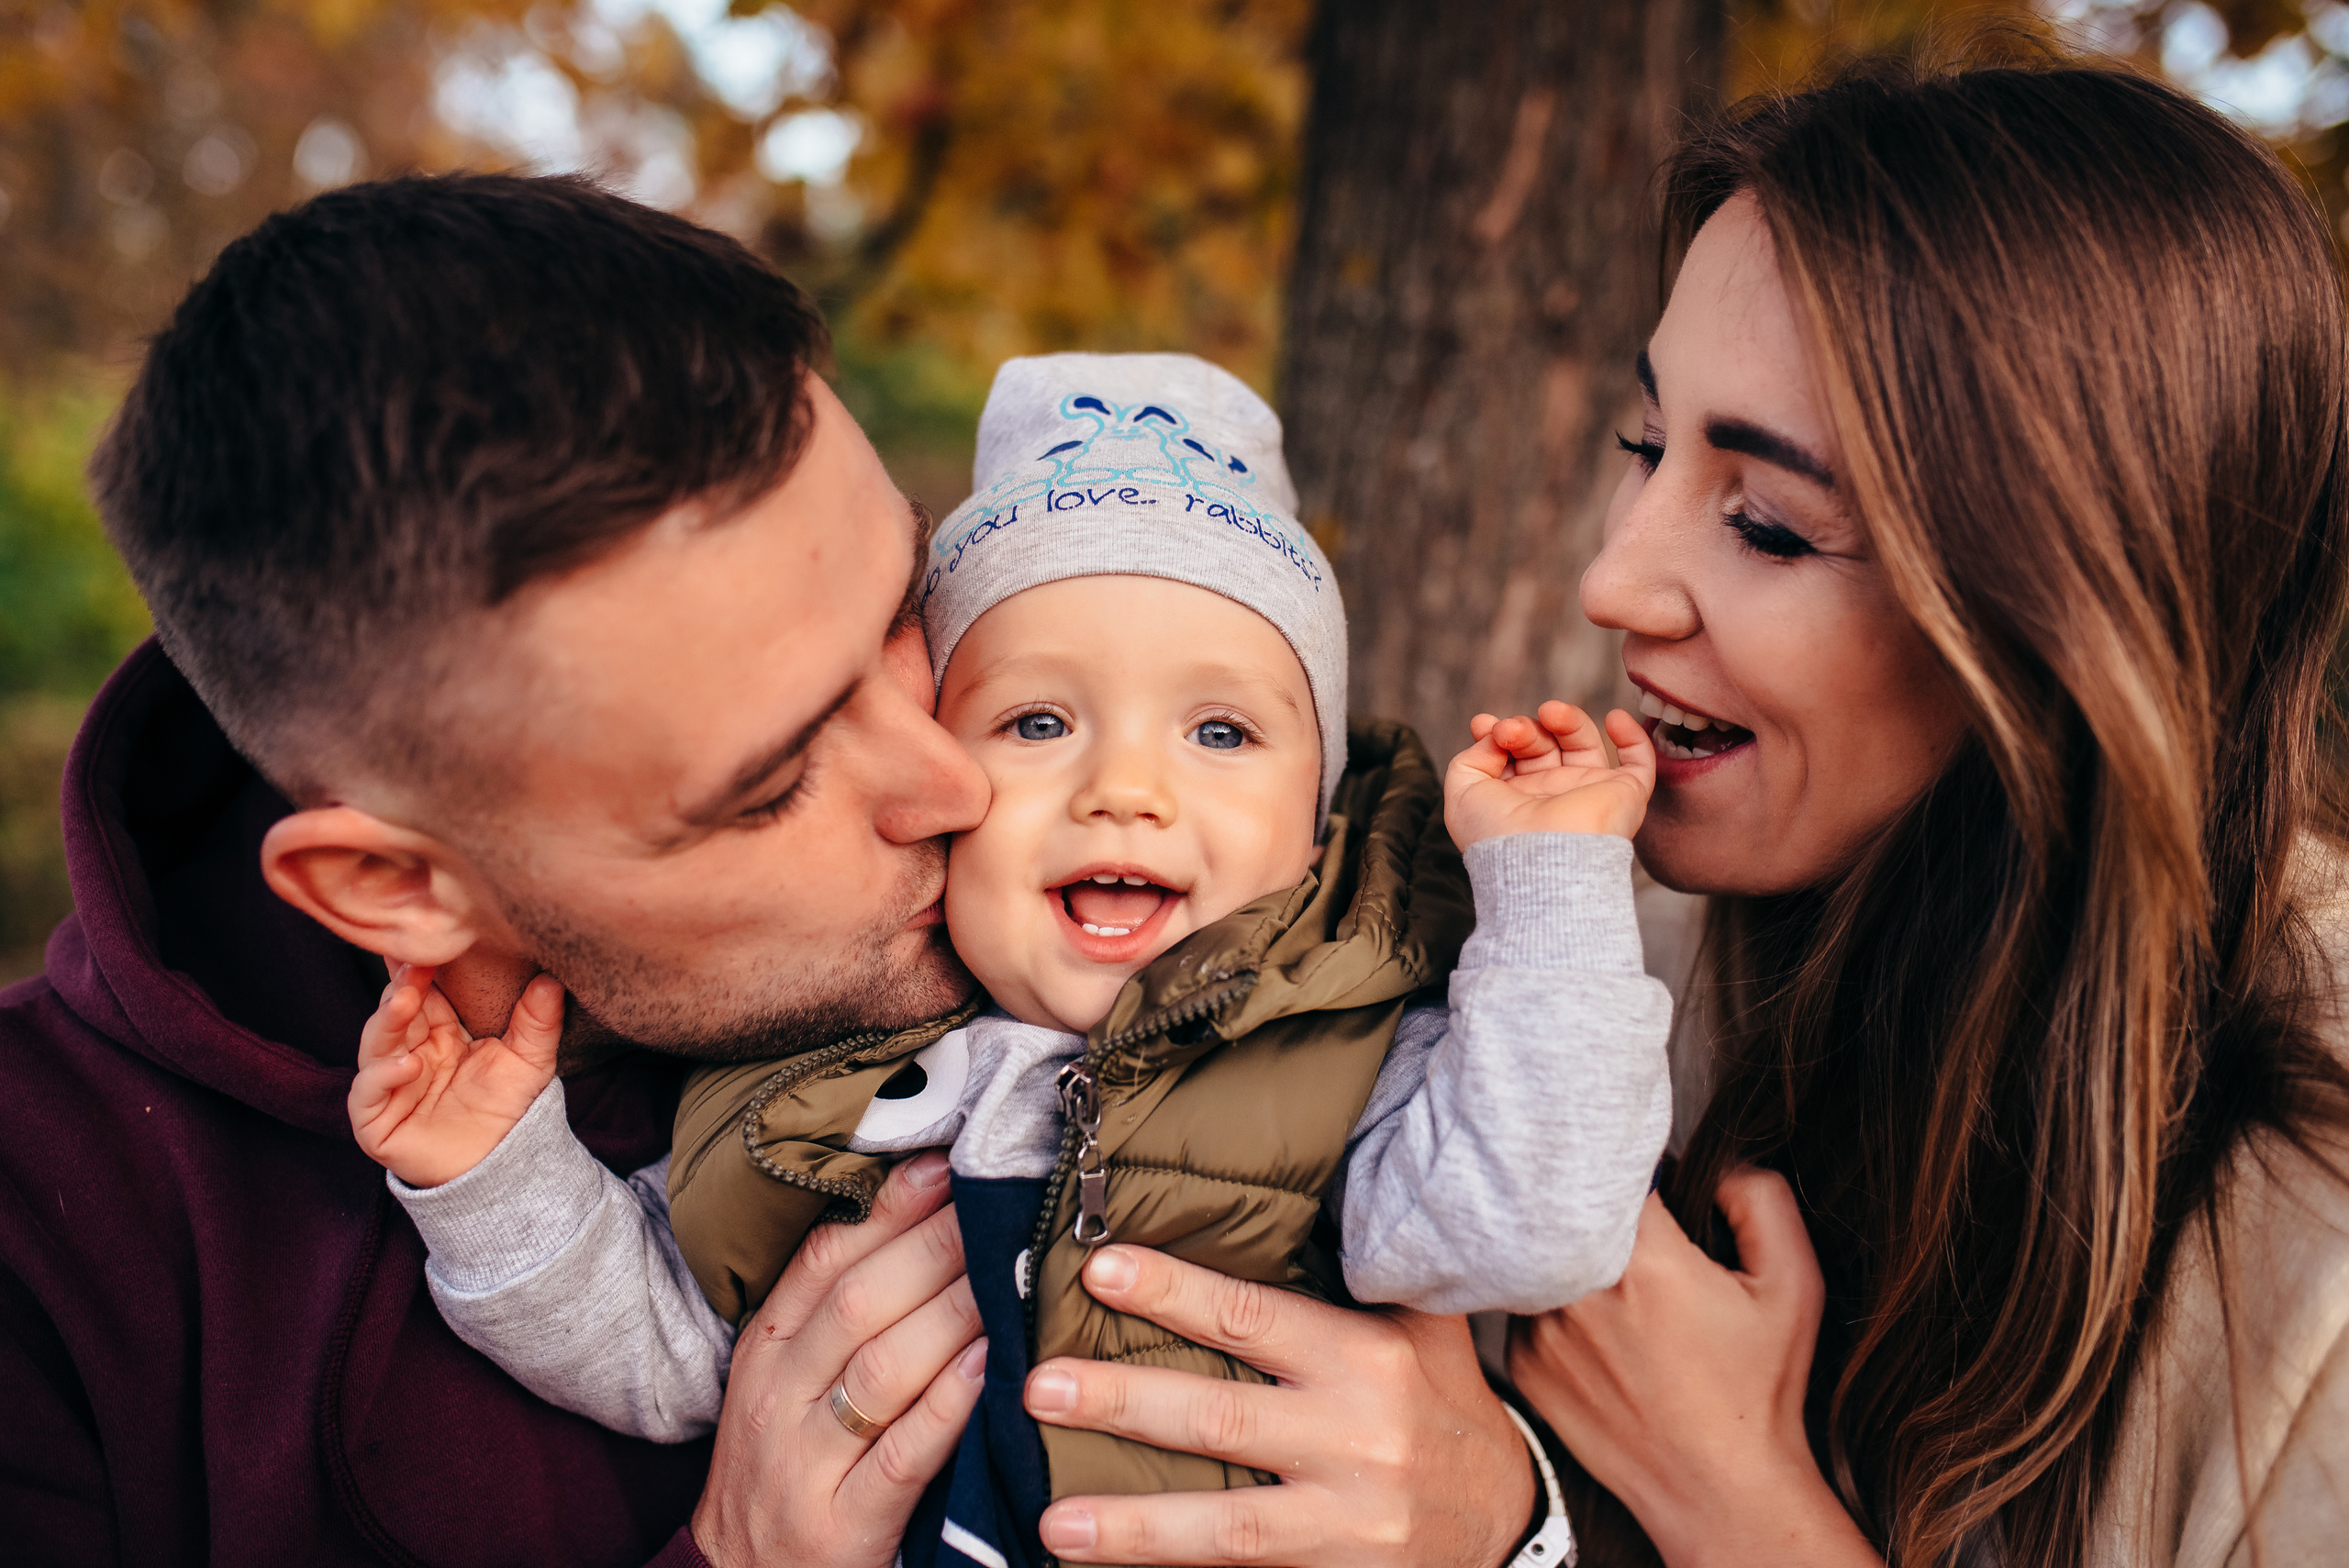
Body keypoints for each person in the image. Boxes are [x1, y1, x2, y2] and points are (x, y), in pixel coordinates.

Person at [0, 173, 1542, 1567]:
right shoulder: (50, 1258)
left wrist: (1511, 1520)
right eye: (778, 773)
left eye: (897, 611)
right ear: (399, 890)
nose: (950, 776)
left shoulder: (1254, 968)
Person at [340, 350, 1670, 1568]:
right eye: (1038, 719)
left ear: (1316, 817)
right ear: (937, 775)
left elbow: (1537, 1218)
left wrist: (1551, 883)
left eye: (1219, 733)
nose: (1126, 788)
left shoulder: (1352, 1055)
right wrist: (492, 1176)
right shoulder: (820, 1080)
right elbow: (663, 1348)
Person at [1506, 57, 2349, 1567]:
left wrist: (1742, 1511)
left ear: (2066, 622)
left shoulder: (2318, 1259)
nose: (1613, 580)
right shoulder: (1692, 978)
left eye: (1769, 521)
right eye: (1648, 448)